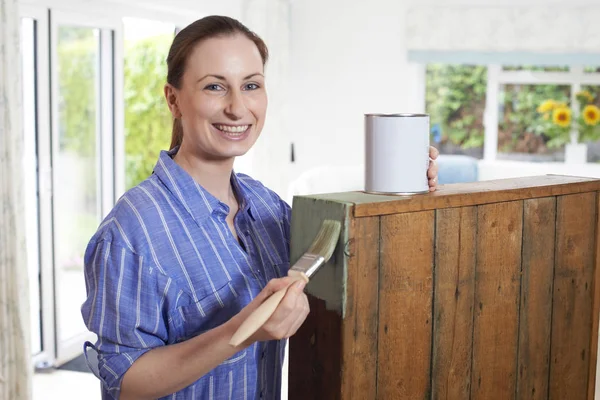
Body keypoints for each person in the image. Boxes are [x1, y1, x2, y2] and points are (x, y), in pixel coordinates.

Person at [81, 15, 440, 400]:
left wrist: (405, 189)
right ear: (174, 99)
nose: (237, 108)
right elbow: (126, 381)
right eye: (215, 87)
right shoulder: (132, 230)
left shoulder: (267, 208)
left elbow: (341, 248)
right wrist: (242, 331)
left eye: (251, 85)